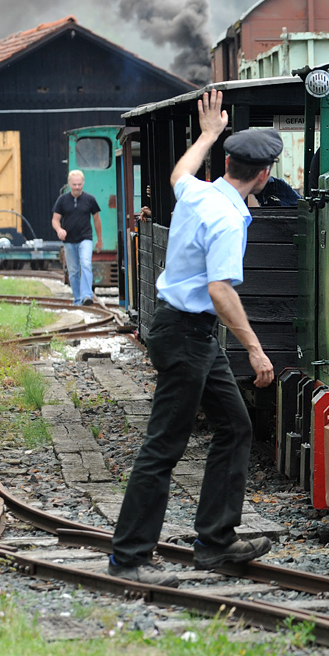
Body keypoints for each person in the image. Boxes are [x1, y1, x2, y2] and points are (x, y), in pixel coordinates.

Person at [108, 90, 277, 587]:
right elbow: (219, 290)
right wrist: (254, 346)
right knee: (163, 447)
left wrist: (205, 135)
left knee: (235, 425)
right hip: (188, 335)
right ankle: (129, 558)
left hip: (186, 332)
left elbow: (178, 174)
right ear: (263, 175)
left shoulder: (201, 192)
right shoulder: (226, 218)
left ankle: (216, 541)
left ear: (228, 163)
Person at [51, 170, 102, 306]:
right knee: (73, 271)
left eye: (79, 184)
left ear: (83, 183)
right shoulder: (62, 200)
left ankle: (87, 295)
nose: (77, 187)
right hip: (69, 241)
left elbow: (97, 220)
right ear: (69, 184)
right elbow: (55, 220)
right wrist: (59, 229)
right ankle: (78, 299)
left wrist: (99, 239)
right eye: (74, 184)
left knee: (86, 264)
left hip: (85, 238)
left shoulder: (90, 199)